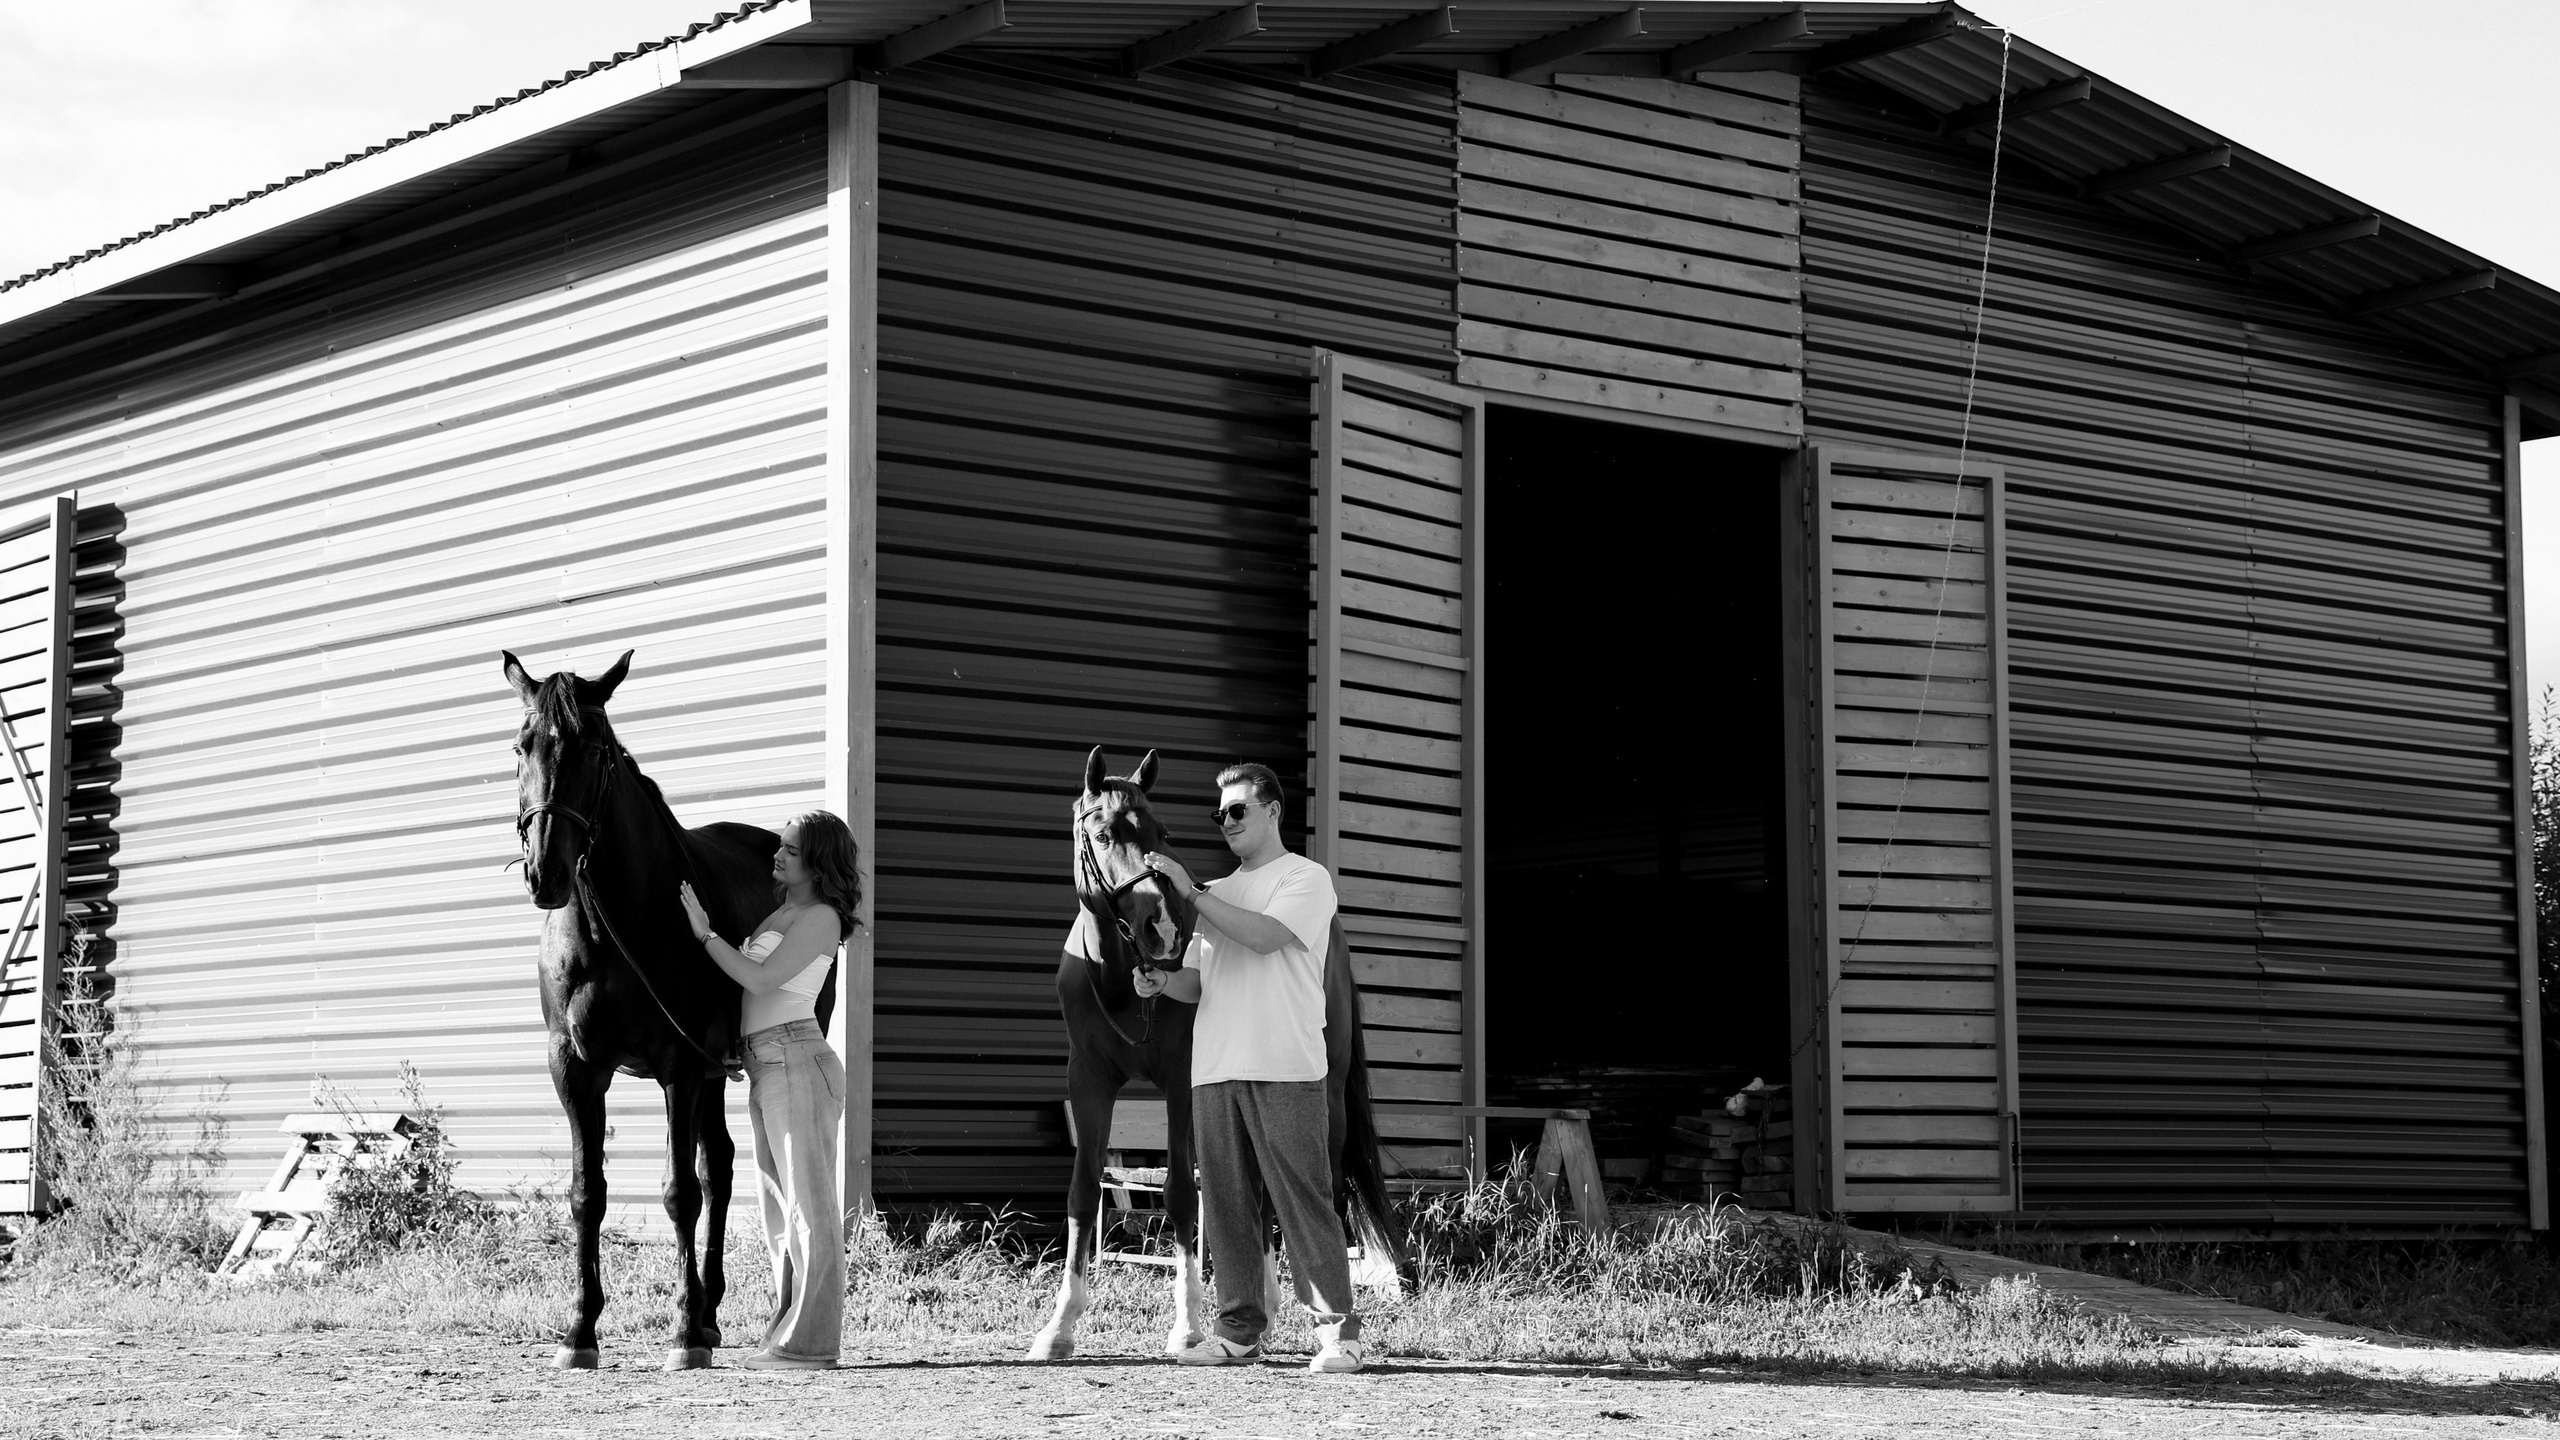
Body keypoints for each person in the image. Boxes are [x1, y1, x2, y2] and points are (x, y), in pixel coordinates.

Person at [1136, 763, 1367, 1374]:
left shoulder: (1306, 878)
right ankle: (1238, 1332)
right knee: (1228, 1207)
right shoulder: (1214, 892)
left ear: (1272, 811)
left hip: (1286, 1066)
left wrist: (1190, 892)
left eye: (1238, 810)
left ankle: (1338, 1336)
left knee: (1304, 1200)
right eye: (1220, 814)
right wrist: (1162, 981)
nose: (1227, 822)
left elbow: (1263, 938)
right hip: (1214, 1069)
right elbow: (1200, 980)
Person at [677, 811, 856, 1371]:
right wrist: (734, 1041)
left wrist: (705, 932)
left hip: (797, 1058)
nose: (776, 856)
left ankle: (812, 1344)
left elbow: (759, 980)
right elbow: (754, 999)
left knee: (810, 1210)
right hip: (766, 1063)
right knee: (781, 1213)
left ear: (819, 863)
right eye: (779, 846)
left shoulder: (822, 916)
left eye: (791, 851)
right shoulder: (784, 910)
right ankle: (787, 1335)